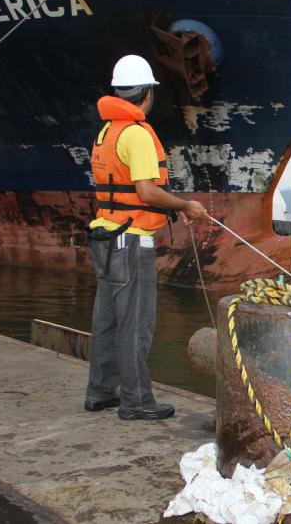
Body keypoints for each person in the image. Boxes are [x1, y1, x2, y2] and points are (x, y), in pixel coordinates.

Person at [84, 54, 207, 420]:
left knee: (105, 321)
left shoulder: (107, 131)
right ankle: (136, 400)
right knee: (135, 324)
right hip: (131, 240)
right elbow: (147, 192)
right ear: (148, 94)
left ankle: (99, 392)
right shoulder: (136, 134)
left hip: (105, 237)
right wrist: (186, 205)